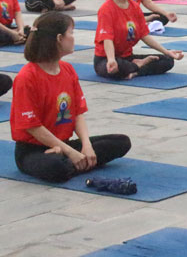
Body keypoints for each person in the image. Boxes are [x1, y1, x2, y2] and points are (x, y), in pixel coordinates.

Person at [11, 12, 129, 183]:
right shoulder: (26, 77)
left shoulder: (68, 70)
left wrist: (86, 145)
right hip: (34, 150)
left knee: (121, 142)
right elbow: (33, 127)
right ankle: (70, 162)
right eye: (71, 33)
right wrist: (70, 152)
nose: (73, 38)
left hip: (63, 144)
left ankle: (74, 161)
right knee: (55, 168)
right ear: (59, 38)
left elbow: (77, 113)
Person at [93, 0, 183, 79]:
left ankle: (135, 70)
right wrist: (111, 59)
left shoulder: (134, 7)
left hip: (128, 57)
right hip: (106, 59)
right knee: (116, 68)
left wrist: (167, 52)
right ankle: (135, 66)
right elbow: (107, 39)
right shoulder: (106, 9)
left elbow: (144, 35)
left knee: (167, 61)